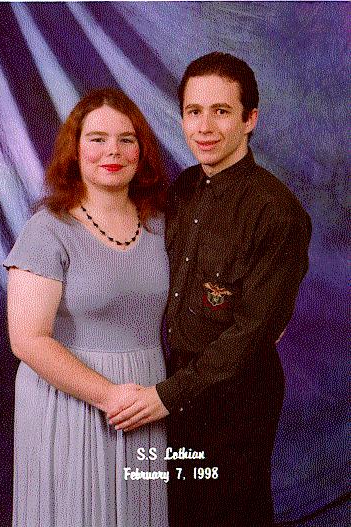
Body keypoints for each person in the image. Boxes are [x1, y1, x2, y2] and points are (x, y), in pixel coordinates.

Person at [109, 52, 312, 526]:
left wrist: (165, 395)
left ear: (249, 119)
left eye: (221, 111)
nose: (204, 126)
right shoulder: (182, 189)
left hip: (234, 396)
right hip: (177, 386)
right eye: (193, 111)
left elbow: (252, 333)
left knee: (231, 513)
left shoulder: (276, 211)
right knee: (182, 512)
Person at [3, 88, 170, 527]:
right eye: (97, 139)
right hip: (71, 402)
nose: (112, 151)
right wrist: (109, 395)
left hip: (146, 397)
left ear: (142, 151)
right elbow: (27, 340)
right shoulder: (47, 229)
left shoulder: (162, 223)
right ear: (74, 151)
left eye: (126, 139)